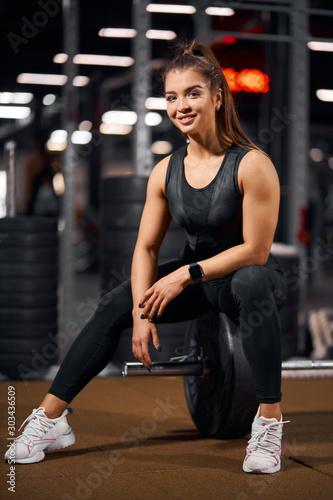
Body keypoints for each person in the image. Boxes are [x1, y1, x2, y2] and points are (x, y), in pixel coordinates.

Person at [5, 40, 289, 473]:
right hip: (197, 282)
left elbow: (255, 250)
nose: (181, 106)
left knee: (251, 281)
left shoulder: (252, 164)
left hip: (246, 279)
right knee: (114, 303)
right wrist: (140, 312)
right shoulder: (166, 170)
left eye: (192, 93)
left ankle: (268, 425)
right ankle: (50, 419)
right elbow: (145, 248)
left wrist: (184, 276)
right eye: (172, 97)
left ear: (216, 95)